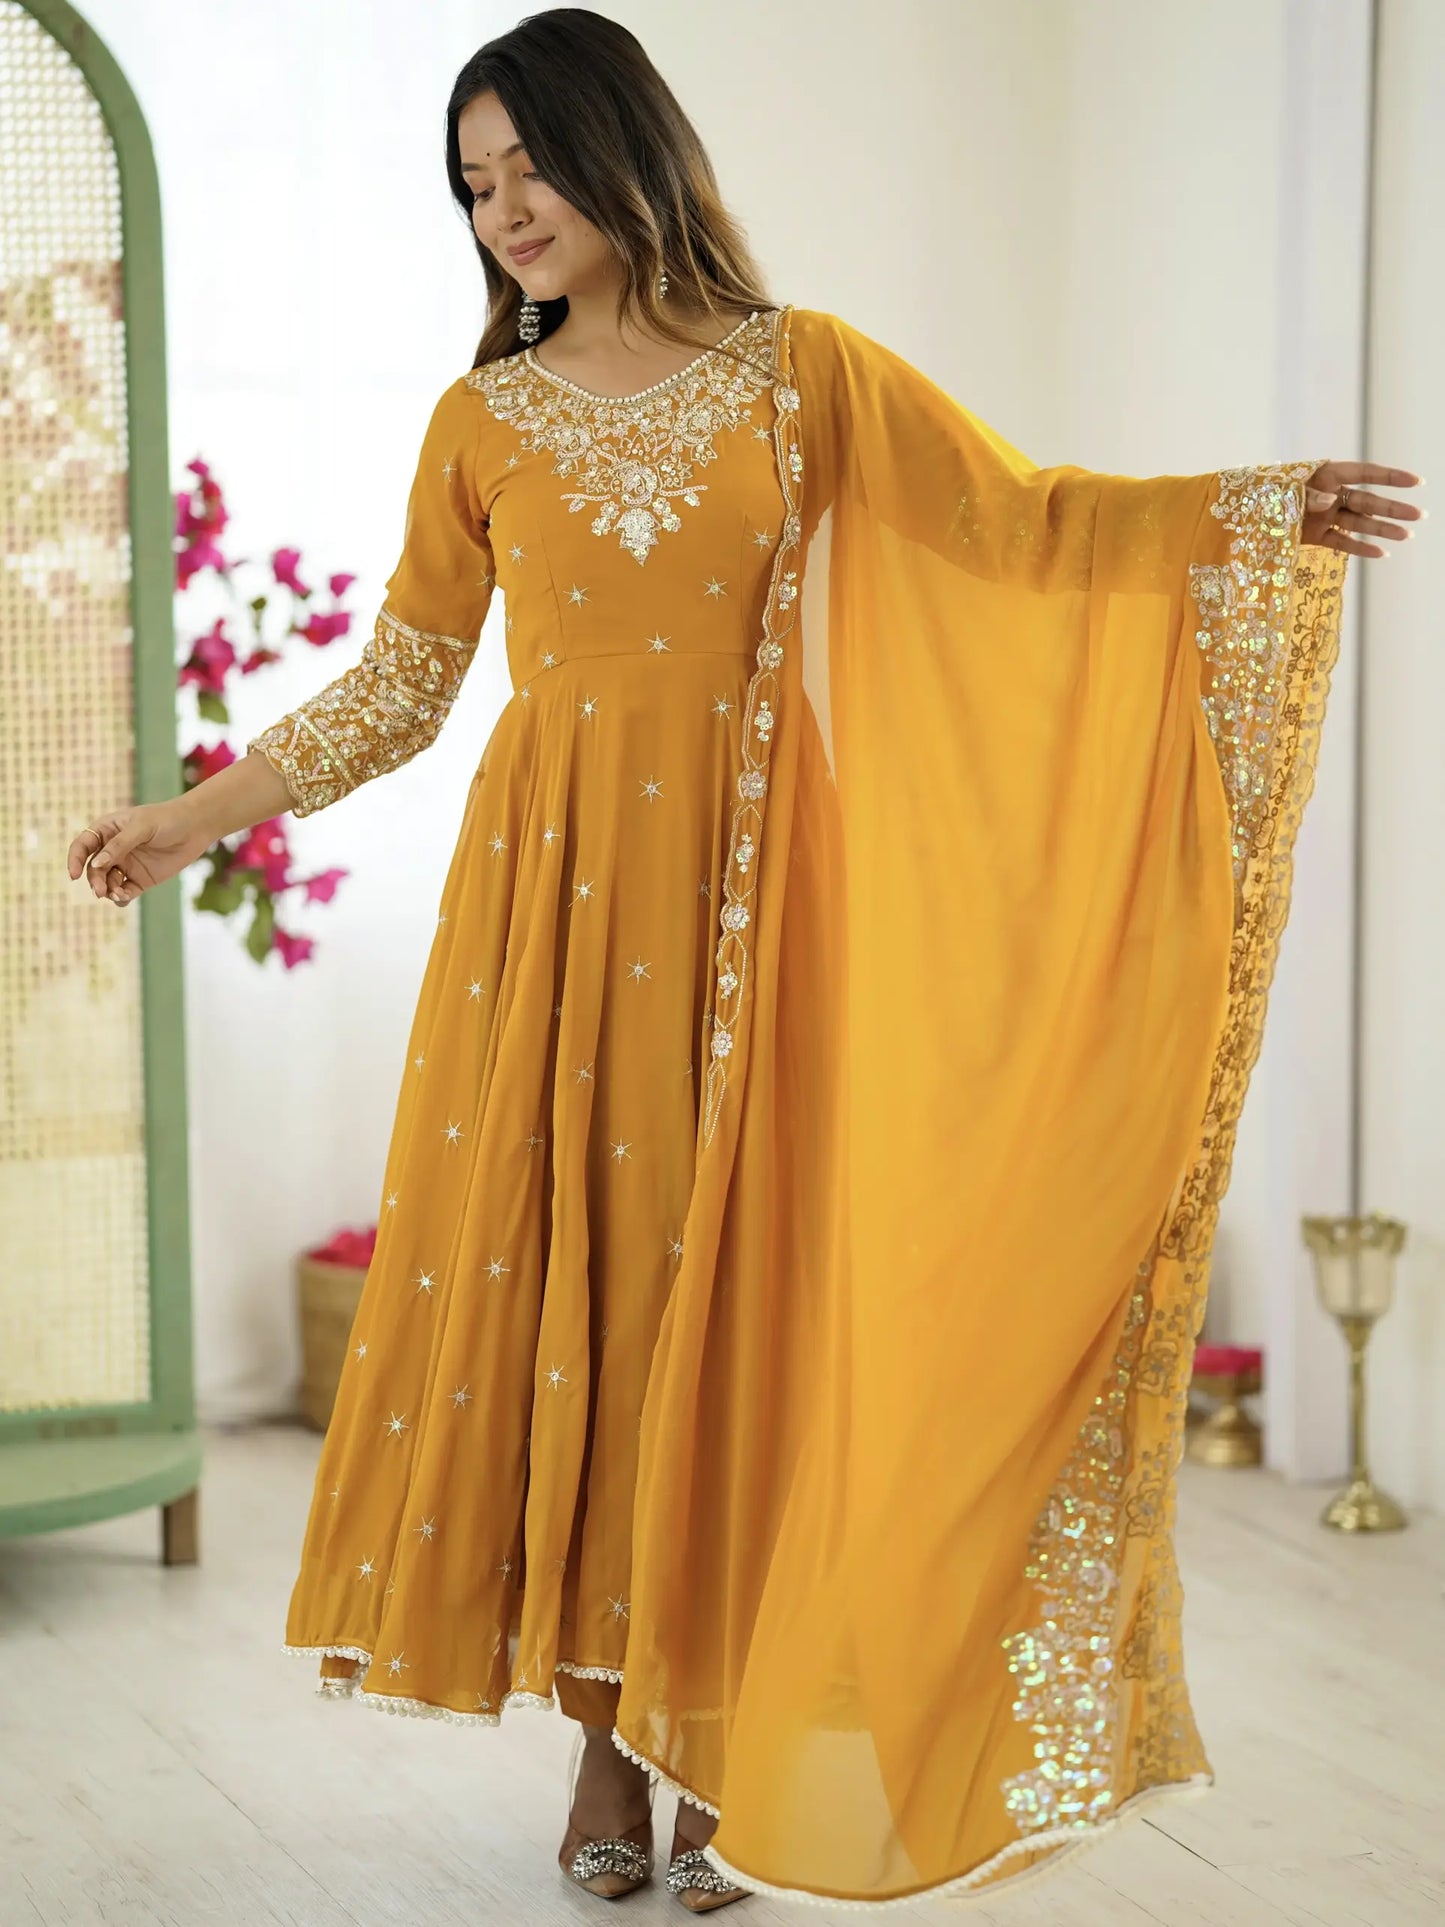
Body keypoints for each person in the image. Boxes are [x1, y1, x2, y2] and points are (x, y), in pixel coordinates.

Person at [67, 8, 1423, 1913]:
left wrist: (1243, 508)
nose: (504, 208)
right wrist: (189, 813)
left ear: (622, 148)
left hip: (763, 916)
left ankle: (731, 1759)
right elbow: (404, 682)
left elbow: (1024, 527)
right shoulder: (484, 422)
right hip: (544, 929)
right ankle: (609, 1757)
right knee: (599, 1320)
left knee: (754, 1320)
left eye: (528, 163)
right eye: (473, 184)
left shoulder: (808, 379)